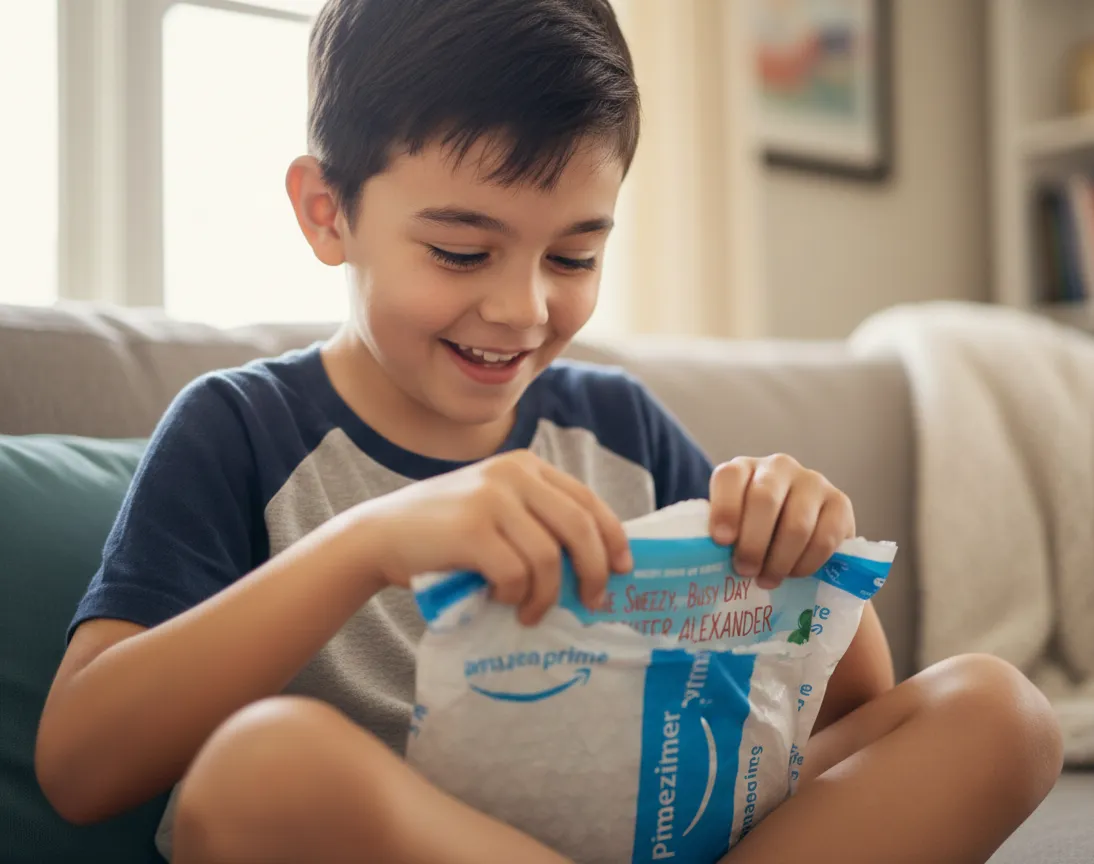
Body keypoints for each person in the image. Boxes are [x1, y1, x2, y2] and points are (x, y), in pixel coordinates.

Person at [35, 1, 1063, 862]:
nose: (523, 310)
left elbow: (826, 729)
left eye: (573, 258)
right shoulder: (239, 429)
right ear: (326, 212)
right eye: (459, 251)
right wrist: (369, 544)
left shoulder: (617, 428)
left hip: (648, 831)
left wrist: (805, 559)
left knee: (1000, 714)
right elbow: (81, 768)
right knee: (261, 769)